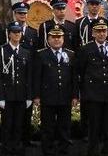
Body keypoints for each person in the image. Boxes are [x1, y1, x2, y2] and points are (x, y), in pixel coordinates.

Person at [75, 21, 108, 156]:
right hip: (93, 94)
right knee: (94, 127)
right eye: (98, 31)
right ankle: (93, 152)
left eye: (104, 31)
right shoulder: (85, 49)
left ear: (107, 32)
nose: (101, 34)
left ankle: (107, 151)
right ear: (93, 33)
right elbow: (80, 71)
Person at [33, 25, 76, 156]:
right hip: (48, 97)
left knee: (64, 127)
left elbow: (74, 77)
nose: (57, 40)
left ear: (63, 39)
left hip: (65, 96)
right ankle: (48, 151)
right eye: (54, 37)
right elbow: (37, 77)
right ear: (48, 39)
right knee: (48, 127)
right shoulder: (41, 54)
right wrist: (37, 96)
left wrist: (75, 95)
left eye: (59, 37)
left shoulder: (70, 54)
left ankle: (64, 150)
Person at [0, 21, 33, 156]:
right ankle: (7, 148)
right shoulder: (1, 51)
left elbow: (28, 77)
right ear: (9, 34)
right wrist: (0, 97)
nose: (17, 34)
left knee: (19, 125)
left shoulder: (25, 52)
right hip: (7, 94)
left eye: (19, 32)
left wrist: (29, 96)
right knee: (7, 124)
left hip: (21, 95)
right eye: (14, 32)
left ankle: (17, 147)